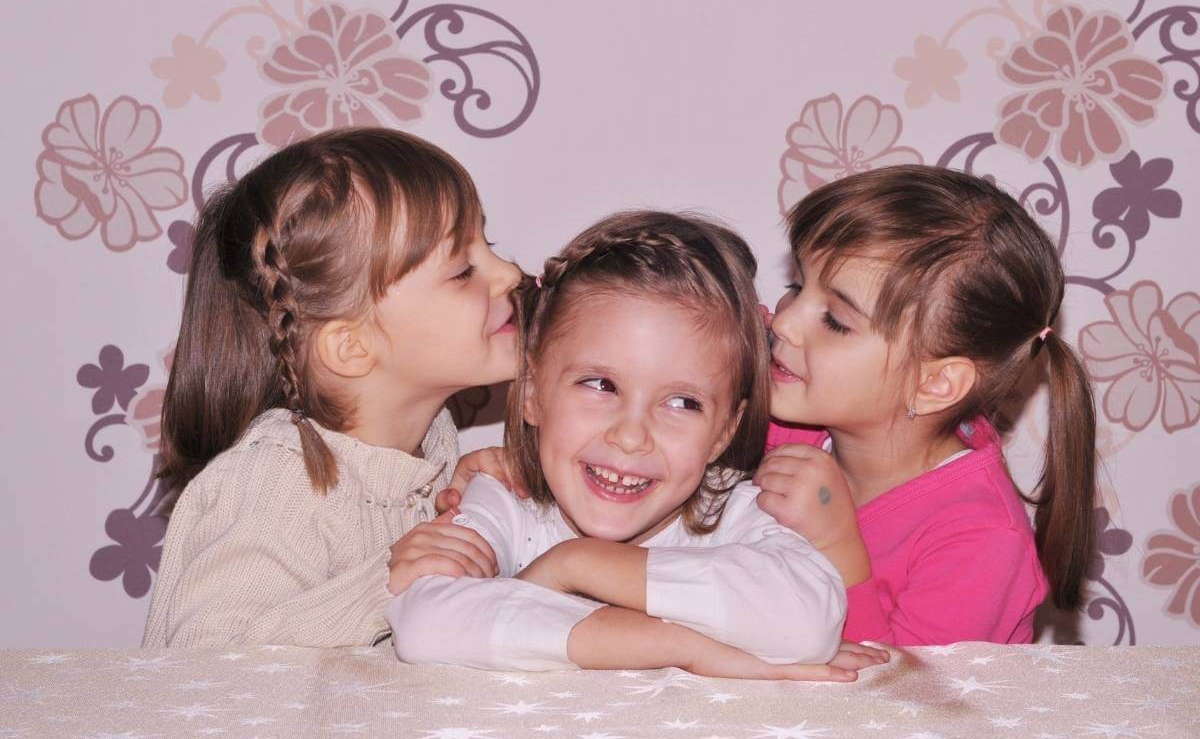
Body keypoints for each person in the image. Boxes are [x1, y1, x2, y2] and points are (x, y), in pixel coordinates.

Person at [388, 211, 887, 680]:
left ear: (724, 432)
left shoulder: (739, 512)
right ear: (534, 394)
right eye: (601, 385)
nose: (631, 435)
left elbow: (807, 623)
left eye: (683, 403)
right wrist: (683, 648)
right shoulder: (505, 499)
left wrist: (576, 565)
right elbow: (423, 621)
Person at [143, 128, 521, 648]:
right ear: (352, 347)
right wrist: (384, 588)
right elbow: (207, 660)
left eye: (491, 247)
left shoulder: (432, 442)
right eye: (462, 270)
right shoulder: (276, 483)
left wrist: (485, 505)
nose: (508, 273)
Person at [756, 165, 1097, 645]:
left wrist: (835, 546)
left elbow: (907, 703)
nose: (786, 321)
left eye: (834, 320)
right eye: (796, 287)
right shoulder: (796, 420)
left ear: (934, 383)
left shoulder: (982, 540)